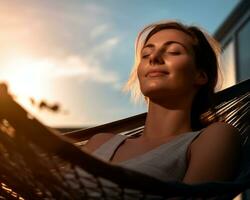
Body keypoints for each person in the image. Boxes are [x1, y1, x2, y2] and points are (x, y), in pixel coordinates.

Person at [83, 20, 241, 184]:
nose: (154, 58)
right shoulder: (100, 142)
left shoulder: (213, 138)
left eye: (174, 51)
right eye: (145, 54)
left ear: (200, 75)